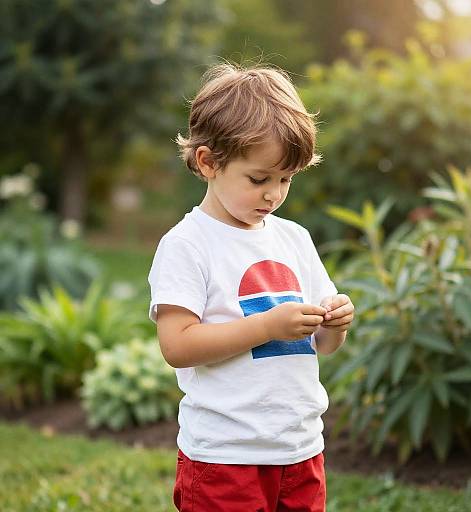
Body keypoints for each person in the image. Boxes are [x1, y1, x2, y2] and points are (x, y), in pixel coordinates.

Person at [147, 63, 355, 512]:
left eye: (286, 179)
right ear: (208, 162)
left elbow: (324, 346)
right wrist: (267, 326)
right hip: (226, 455)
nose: (274, 195)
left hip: (299, 448)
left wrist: (336, 322)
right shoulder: (188, 244)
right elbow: (177, 346)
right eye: (259, 179)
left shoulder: (294, 238)